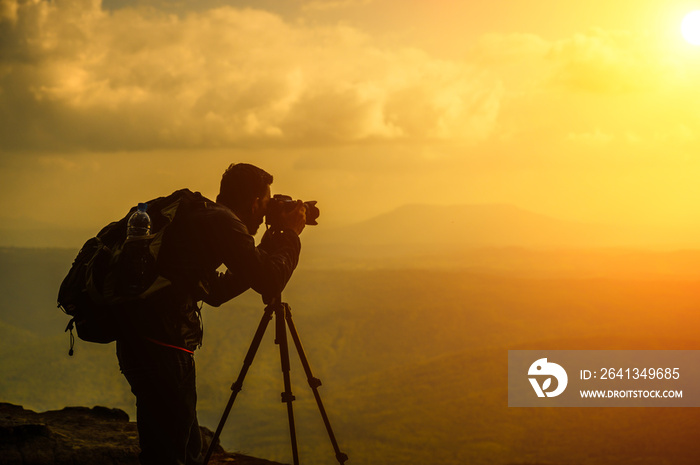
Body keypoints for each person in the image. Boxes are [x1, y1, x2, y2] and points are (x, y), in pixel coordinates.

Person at [116, 163, 306, 465]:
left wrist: (267, 247)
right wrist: (292, 237)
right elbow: (269, 281)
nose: (267, 212)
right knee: (172, 456)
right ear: (255, 202)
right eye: (266, 204)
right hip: (164, 349)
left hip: (141, 343)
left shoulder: (205, 217)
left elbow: (216, 292)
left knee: (181, 448)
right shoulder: (225, 224)